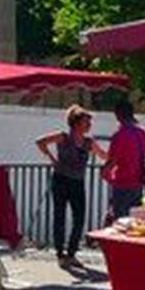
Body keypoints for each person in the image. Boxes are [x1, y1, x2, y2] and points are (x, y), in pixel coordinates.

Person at [36, 106, 108, 263]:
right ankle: (60, 253)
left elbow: (103, 155)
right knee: (59, 216)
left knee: (79, 217)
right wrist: (52, 159)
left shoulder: (88, 142)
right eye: (86, 121)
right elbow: (40, 142)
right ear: (76, 123)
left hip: (77, 182)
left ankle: (71, 253)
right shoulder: (63, 137)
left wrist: (118, 156)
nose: (89, 125)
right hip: (61, 179)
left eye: (89, 122)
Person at [102, 100, 145, 219]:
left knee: (120, 220)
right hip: (138, 183)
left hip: (122, 183)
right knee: (134, 220)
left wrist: (105, 174)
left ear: (118, 115)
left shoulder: (119, 136)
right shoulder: (142, 134)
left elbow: (112, 161)